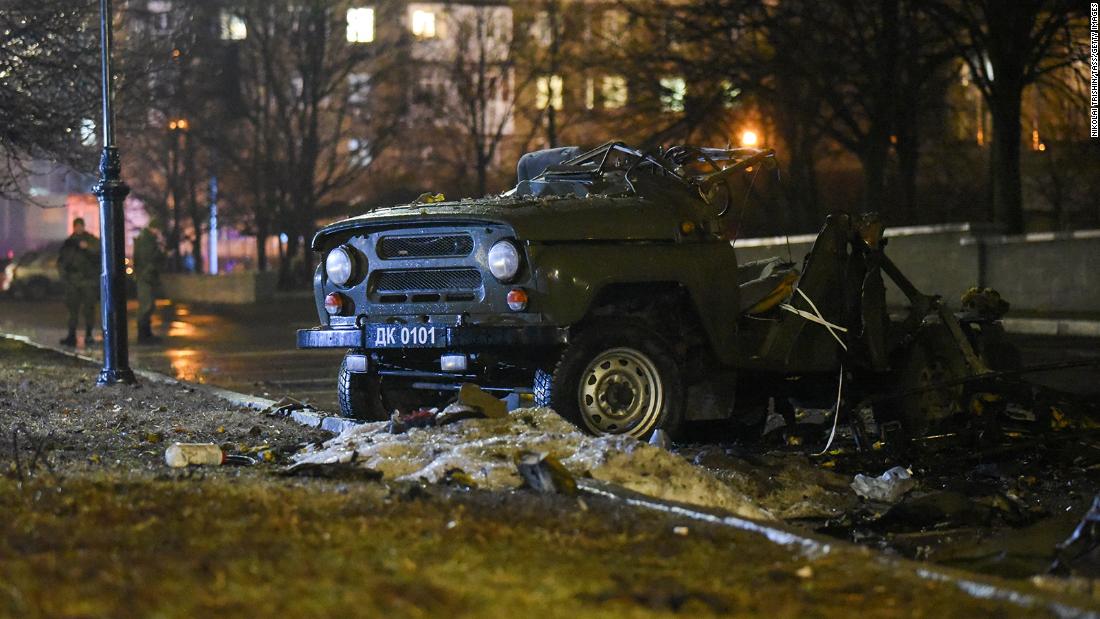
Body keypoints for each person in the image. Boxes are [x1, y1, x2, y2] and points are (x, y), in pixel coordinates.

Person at [57, 218, 100, 346]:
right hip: (73, 281)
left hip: (88, 280)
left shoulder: (91, 240)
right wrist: (64, 276)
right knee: (72, 309)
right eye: (77, 226)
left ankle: (88, 335)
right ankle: (71, 335)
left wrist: (87, 248)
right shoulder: (69, 242)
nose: (79, 228)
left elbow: (98, 253)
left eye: (80, 226)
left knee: (89, 309)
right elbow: (62, 261)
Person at [132, 227, 164, 342]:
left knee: (148, 305)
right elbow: (149, 259)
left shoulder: (147, 239)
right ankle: (143, 335)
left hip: (146, 277)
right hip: (146, 277)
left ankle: (146, 333)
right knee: (146, 306)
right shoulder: (147, 240)